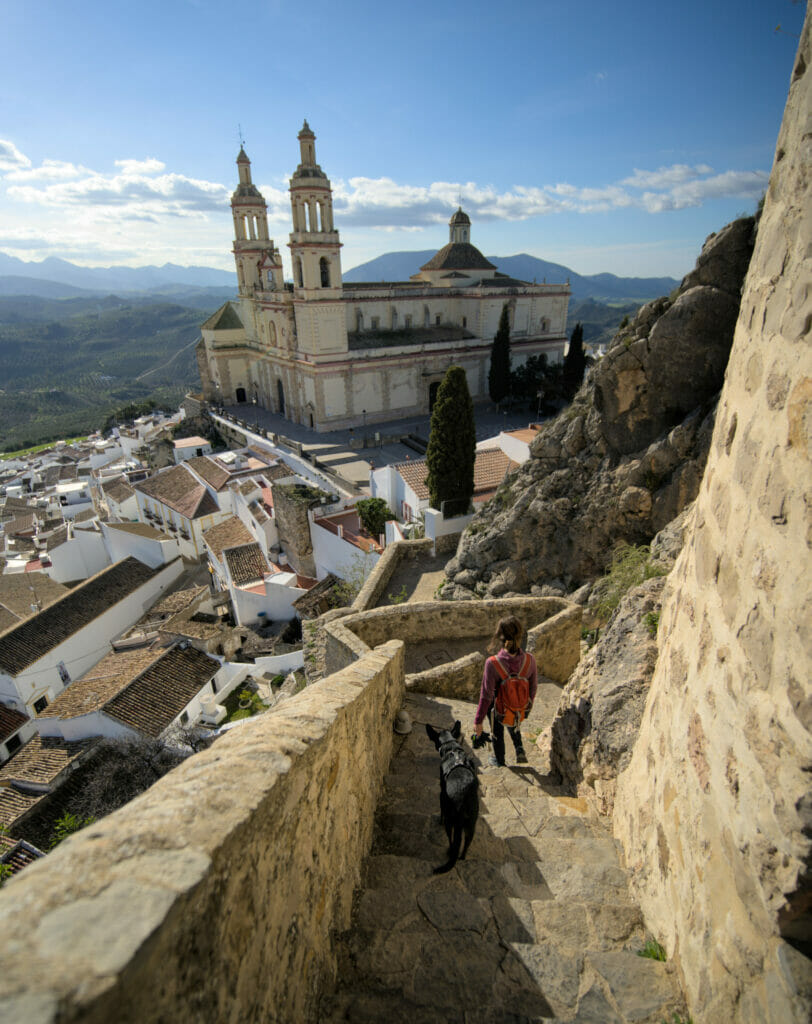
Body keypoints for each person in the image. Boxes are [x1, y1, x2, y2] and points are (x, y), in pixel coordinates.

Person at [473, 616, 537, 767]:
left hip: (498, 707)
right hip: (519, 706)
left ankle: (500, 761)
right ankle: (519, 747)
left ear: (499, 636)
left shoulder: (493, 663)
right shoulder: (530, 660)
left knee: (497, 733)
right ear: (520, 635)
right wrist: (525, 707)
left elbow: (486, 695)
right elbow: (533, 688)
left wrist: (478, 720)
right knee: (513, 720)